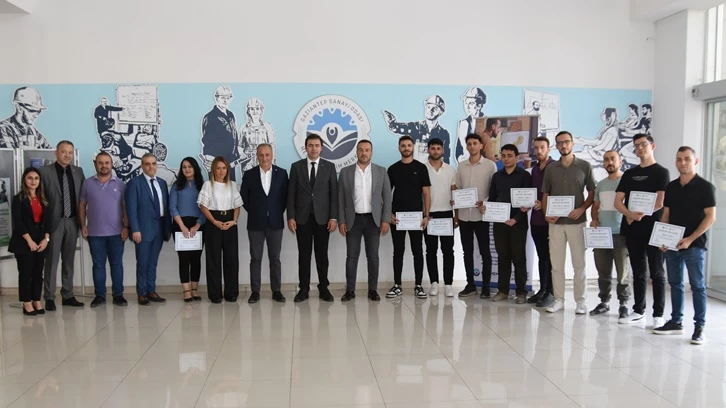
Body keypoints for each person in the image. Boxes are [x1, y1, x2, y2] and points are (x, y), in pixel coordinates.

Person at [653, 146, 716, 345]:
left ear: (695, 161)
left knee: (697, 286)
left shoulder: (705, 187)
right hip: (672, 245)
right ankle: (676, 322)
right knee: (675, 284)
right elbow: (666, 214)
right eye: (679, 159)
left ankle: (699, 327)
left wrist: (690, 238)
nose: (683, 163)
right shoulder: (671, 187)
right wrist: (662, 238)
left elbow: (710, 217)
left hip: (695, 245)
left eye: (687, 159)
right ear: (676, 162)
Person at [614, 133, 669, 326]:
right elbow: (618, 201)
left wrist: (641, 214)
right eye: (636, 145)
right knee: (638, 272)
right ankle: (638, 311)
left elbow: (660, 201)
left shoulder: (661, 172)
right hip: (633, 228)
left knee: (657, 272)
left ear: (652, 146)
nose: (639, 148)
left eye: (643, 144)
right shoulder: (629, 174)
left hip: (654, 228)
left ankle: (658, 315)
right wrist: (630, 214)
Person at [541, 131, 596, 314]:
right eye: (559, 143)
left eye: (566, 142)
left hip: (577, 222)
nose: (563, 145)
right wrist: (546, 214)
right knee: (556, 265)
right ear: (556, 146)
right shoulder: (551, 168)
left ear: (572, 143)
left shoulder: (584, 166)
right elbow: (545, 194)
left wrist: (582, 209)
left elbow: (592, 193)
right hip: (555, 224)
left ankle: (581, 301)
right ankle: (559, 299)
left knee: (579, 264)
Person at [338, 140, 392, 302]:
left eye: (367, 150)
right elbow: (341, 199)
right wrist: (341, 220)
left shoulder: (381, 171)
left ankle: (373, 290)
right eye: (361, 150)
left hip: (373, 221)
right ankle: (350, 290)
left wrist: (386, 220)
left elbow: (387, 198)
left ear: (371, 152)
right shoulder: (346, 172)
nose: (364, 153)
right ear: (356, 152)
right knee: (351, 256)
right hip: (353, 220)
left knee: (373, 256)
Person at [287, 134, 338, 303]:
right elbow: (291, 194)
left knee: (322, 256)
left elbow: (334, 194)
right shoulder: (296, 167)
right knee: (304, 255)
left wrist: (333, 217)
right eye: (310, 145)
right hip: (302, 219)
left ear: (322, 148)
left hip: (323, 219)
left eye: (317, 145)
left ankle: (324, 288)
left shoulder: (329, 167)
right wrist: (291, 216)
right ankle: (304, 288)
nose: (314, 148)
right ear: (306, 147)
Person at [38, 140, 86, 310]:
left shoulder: (78, 172)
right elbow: (40, 198)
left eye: (70, 152)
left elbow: (83, 198)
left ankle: (68, 294)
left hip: (72, 221)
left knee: (69, 260)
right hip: (54, 223)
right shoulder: (45, 172)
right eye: (64, 151)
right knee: (51, 260)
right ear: (56, 153)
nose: (67, 155)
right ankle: (49, 297)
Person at [78, 151, 129, 308]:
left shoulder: (120, 184)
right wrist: (83, 225)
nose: (104, 165)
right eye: (100, 163)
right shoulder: (87, 183)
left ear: (111, 164)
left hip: (117, 233)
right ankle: (99, 295)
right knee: (98, 265)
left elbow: (125, 207)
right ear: (95, 165)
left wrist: (126, 227)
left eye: (107, 162)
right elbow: (82, 205)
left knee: (117, 264)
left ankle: (118, 295)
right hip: (95, 233)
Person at [240, 144, 288, 303]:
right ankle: (255, 292)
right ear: (257, 156)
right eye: (261, 155)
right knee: (255, 259)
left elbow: (285, 198)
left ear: (272, 155)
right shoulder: (249, 175)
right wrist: (257, 211)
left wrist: (274, 212)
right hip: (255, 223)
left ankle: (277, 291)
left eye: (267, 154)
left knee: (275, 258)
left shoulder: (282, 173)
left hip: (275, 222)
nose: (264, 158)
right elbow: (244, 198)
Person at [386, 135, 431, 299]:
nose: (406, 148)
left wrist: (426, 215)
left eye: (409, 145)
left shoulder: (421, 168)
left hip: (416, 218)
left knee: (417, 251)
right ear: (399, 148)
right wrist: (388, 213)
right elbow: (386, 194)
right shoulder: (392, 169)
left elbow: (426, 193)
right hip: (397, 218)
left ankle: (418, 285)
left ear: (413, 147)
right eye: (403, 145)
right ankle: (397, 285)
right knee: (398, 252)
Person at [486, 144, 532, 304]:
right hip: (500, 222)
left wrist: (516, 219)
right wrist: (487, 209)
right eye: (503, 156)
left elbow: (527, 201)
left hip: (518, 223)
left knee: (519, 258)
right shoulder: (497, 176)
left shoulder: (524, 176)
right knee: (503, 257)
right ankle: (503, 291)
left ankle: (521, 292)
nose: (506, 159)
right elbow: (492, 199)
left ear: (517, 157)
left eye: (509, 156)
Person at [125, 153, 172, 306]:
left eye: (153, 163)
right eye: (147, 164)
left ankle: (151, 290)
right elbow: (131, 209)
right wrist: (135, 229)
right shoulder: (134, 183)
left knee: (153, 262)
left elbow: (166, 207)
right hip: (143, 230)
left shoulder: (162, 183)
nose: (151, 166)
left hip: (159, 228)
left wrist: (168, 228)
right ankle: (142, 292)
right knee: (143, 262)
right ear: (142, 166)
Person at [589, 150, 631, 318]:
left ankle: (623, 304)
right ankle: (604, 302)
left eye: (613, 159)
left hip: (621, 234)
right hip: (602, 235)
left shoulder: (626, 182)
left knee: (623, 273)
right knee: (603, 272)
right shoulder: (601, 184)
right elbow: (595, 206)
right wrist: (594, 219)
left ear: (620, 161)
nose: (609, 162)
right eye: (606, 159)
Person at [455, 133, 497, 298]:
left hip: (482, 215)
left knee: (485, 252)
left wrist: (485, 202)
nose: (472, 146)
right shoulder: (461, 166)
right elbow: (458, 188)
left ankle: (486, 287)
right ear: (466, 147)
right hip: (464, 215)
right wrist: (456, 201)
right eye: (469, 144)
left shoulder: (490, 165)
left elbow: (494, 190)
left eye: (475, 143)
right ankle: (470, 285)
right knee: (467, 252)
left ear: (481, 145)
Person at [198, 156, 243, 303]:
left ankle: (231, 293)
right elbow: (203, 206)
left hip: (230, 222)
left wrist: (234, 221)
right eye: (218, 168)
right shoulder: (207, 185)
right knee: (213, 260)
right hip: (213, 222)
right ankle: (215, 294)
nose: (221, 171)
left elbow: (237, 206)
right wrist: (214, 221)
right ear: (213, 170)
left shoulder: (233, 185)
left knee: (231, 259)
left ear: (227, 170)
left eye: (224, 168)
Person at [9, 167, 50, 315]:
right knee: (26, 273)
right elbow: (18, 222)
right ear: (24, 180)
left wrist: (46, 239)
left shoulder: (43, 199)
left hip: (40, 241)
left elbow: (48, 221)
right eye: (30, 178)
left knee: (38, 273)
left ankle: (36, 300)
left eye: (36, 178)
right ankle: (26, 303)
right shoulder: (18, 199)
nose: (33, 181)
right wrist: (29, 241)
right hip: (23, 242)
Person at [424, 138, 457, 297]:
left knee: (448, 250)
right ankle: (434, 283)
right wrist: (424, 214)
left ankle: (448, 284)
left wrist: (456, 216)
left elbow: (454, 192)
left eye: (438, 148)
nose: (435, 151)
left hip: (446, 214)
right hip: (429, 214)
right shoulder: (423, 168)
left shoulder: (450, 170)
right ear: (428, 150)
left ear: (443, 150)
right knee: (431, 251)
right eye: (433, 148)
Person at [170, 157, 206, 302]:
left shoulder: (203, 186)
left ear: (195, 168)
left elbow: (206, 207)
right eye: (184, 167)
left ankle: (194, 290)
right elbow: (172, 207)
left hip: (199, 225)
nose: (187, 169)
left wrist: (197, 225)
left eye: (190, 166)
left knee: (196, 258)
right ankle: (186, 291)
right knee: (184, 258)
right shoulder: (176, 186)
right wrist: (182, 226)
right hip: (180, 224)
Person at [527, 136, 555, 307]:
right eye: (536, 148)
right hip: (536, 219)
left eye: (542, 147)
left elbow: (558, 193)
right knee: (541, 256)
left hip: (551, 220)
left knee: (551, 258)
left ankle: (551, 292)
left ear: (548, 149)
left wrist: (544, 204)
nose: (538, 151)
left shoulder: (555, 167)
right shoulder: (535, 170)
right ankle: (543, 289)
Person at [383, 95, 451, 163]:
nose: (430, 110)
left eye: (435, 108)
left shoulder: (443, 133)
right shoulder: (415, 127)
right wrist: (391, 122)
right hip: (415, 168)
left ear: (440, 112)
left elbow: (446, 157)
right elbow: (395, 128)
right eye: (428, 107)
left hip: (434, 169)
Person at [200, 85, 244, 181]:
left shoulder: (231, 115)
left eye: (228, 98)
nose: (225, 100)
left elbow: (234, 135)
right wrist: (209, 160)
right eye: (223, 97)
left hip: (230, 161)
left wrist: (237, 151)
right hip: (216, 162)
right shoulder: (210, 117)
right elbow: (207, 141)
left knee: (231, 187)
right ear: (216, 98)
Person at [239, 98, 275, 171]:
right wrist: (242, 154)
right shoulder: (243, 127)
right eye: (252, 109)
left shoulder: (267, 126)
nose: (255, 111)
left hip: (264, 160)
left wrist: (273, 162)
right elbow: (239, 145)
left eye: (257, 108)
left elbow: (272, 145)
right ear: (248, 111)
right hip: (248, 162)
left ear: (261, 111)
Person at [455, 87, 487, 162]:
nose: (467, 107)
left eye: (471, 103)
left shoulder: (487, 122)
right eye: (466, 103)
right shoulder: (462, 123)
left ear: (479, 105)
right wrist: (460, 159)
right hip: (466, 164)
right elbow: (459, 148)